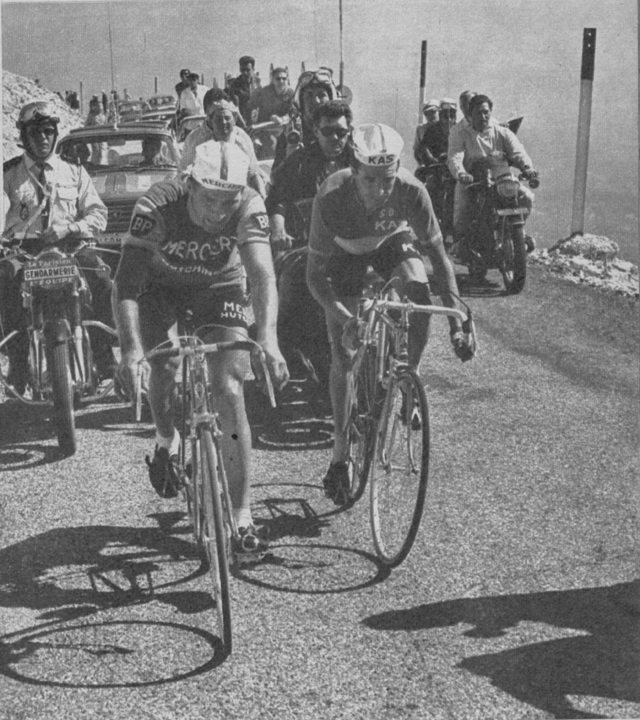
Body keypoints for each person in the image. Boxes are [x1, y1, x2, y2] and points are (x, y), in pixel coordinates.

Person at [112, 140, 289, 558]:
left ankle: (242, 517)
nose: (217, 212)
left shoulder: (249, 204)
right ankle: (165, 440)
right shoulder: (157, 205)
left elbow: (262, 277)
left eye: (226, 202)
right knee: (166, 364)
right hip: (161, 289)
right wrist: (131, 349)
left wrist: (268, 338)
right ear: (189, 185)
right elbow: (125, 284)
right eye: (208, 200)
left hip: (220, 288)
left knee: (228, 387)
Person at [306, 123, 473, 505]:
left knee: (418, 289)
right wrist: (343, 315)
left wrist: (457, 322)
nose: (381, 191)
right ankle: (339, 454)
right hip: (343, 255)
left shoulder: (413, 190)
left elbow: (440, 261)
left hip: (390, 244)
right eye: (371, 181)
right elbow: (314, 276)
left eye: (388, 180)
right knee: (343, 353)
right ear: (354, 170)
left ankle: (406, 378)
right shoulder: (331, 194)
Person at [1, 101, 112, 393]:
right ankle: (19, 366)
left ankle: (105, 359)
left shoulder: (74, 171)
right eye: (36, 132)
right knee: (4, 282)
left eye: (48, 131)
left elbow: (98, 214)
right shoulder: (7, 175)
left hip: (71, 246)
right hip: (23, 252)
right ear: (24, 136)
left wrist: (72, 227)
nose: (43, 138)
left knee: (100, 276)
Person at [447, 93, 539, 257]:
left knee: (526, 198)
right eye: (478, 113)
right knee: (461, 214)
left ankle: (516, 234)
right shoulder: (460, 132)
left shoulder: (501, 131)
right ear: (470, 114)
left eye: (486, 112)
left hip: (501, 178)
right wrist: (460, 172)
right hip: (473, 179)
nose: (483, 116)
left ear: (491, 112)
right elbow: (455, 156)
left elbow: (517, 151)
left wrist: (527, 168)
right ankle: (462, 245)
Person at [266, 99, 353, 250]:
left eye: (341, 132)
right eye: (327, 131)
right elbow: (277, 200)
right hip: (306, 245)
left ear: (349, 131)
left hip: (350, 246)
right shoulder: (299, 160)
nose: (334, 137)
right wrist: (279, 231)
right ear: (316, 131)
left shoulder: (360, 163)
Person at [178, 90, 265, 197]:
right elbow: (184, 174)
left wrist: (261, 196)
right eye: (217, 116)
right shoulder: (194, 139)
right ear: (208, 116)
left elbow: (254, 172)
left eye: (227, 116)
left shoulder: (241, 137)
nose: (223, 122)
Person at [272, 68, 340, 171]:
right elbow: (274, 181)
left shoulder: (343, 133)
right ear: (301, 103)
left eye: (321, 95)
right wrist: (290, 159)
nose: (316, 101)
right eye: (309, 95)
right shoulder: (291, 137)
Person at [247, 67, 294, 158]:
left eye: (284, 79)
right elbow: (252, 110)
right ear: (272, 79)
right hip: (266, 129)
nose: (281, 81)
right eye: (278, 78)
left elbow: (293, 111)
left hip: (285, 128)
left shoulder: (291, 93)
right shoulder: (263, 93)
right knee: (272, 150)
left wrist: (283, 118)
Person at [227, 56, 260, 125]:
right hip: (241, 122)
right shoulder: (235, 85)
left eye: (248, 70)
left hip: (256, 121)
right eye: (242, 70)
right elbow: (234, 109)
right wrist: (243, 124)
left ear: (253, 69)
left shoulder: (257, 81)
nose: (245, 73)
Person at [412, 99, 439, 164]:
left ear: (439, 111)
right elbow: (417, 150)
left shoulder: (445, 127)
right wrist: (421, 164)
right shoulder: (420, 129)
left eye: (433, 112)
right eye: (427, 114)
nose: (430, 116)